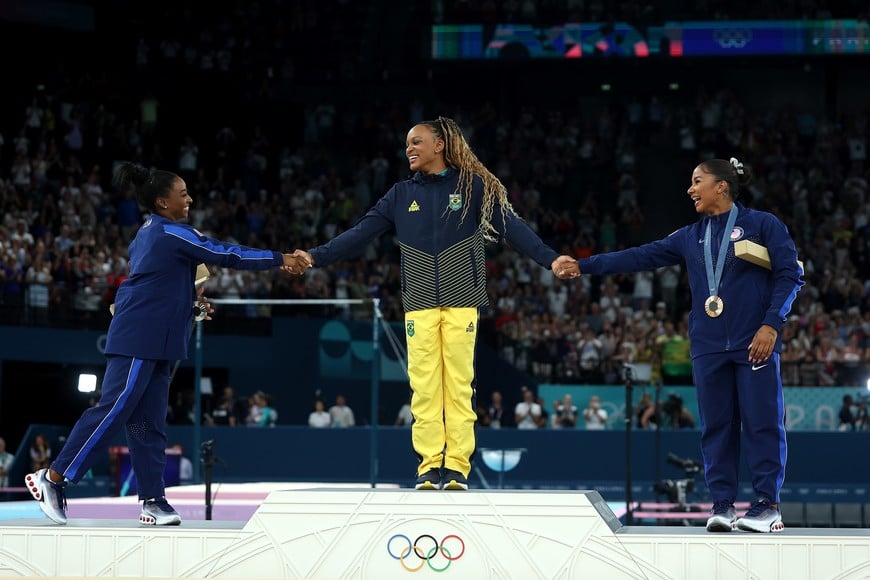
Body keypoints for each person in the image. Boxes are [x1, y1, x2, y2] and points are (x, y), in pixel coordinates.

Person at [292, 116, 578, 491]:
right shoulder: (399, 195)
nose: (409, 148)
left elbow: (512, 227)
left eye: (417, 141)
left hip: (462, 302)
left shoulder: (473, 188)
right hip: (420, 304)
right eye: (407, 143)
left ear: (440, 145)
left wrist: (551, 259)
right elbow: (360, 233)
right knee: (424, 388)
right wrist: (315, 256)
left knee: (458, 386)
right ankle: (429, 466)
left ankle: (457, 467)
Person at [24, 161, 304, 526]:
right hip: (141, 334)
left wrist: (192, 304)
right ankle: (54, 477)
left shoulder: (152, 233)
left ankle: (153, 500)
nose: (189, 199)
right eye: (183, 194)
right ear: (161, 202)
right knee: (116, 407)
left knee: (147, 424)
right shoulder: (170, 232)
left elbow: (159, 283)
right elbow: (224, 253)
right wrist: (280, 259)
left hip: (161, 340)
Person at [577, 157, 804, 533]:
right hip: (708, 345)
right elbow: (639, 256)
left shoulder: (763, 224)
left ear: (722, 186)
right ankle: (723, 505)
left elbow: (791, 274)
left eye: (698, 181)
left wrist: (771, 325)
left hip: (756, 342)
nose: (690, 189)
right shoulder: (690, 236)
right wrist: (585, 266)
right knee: (716, 426)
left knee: (762, 424)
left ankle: (767, 506)